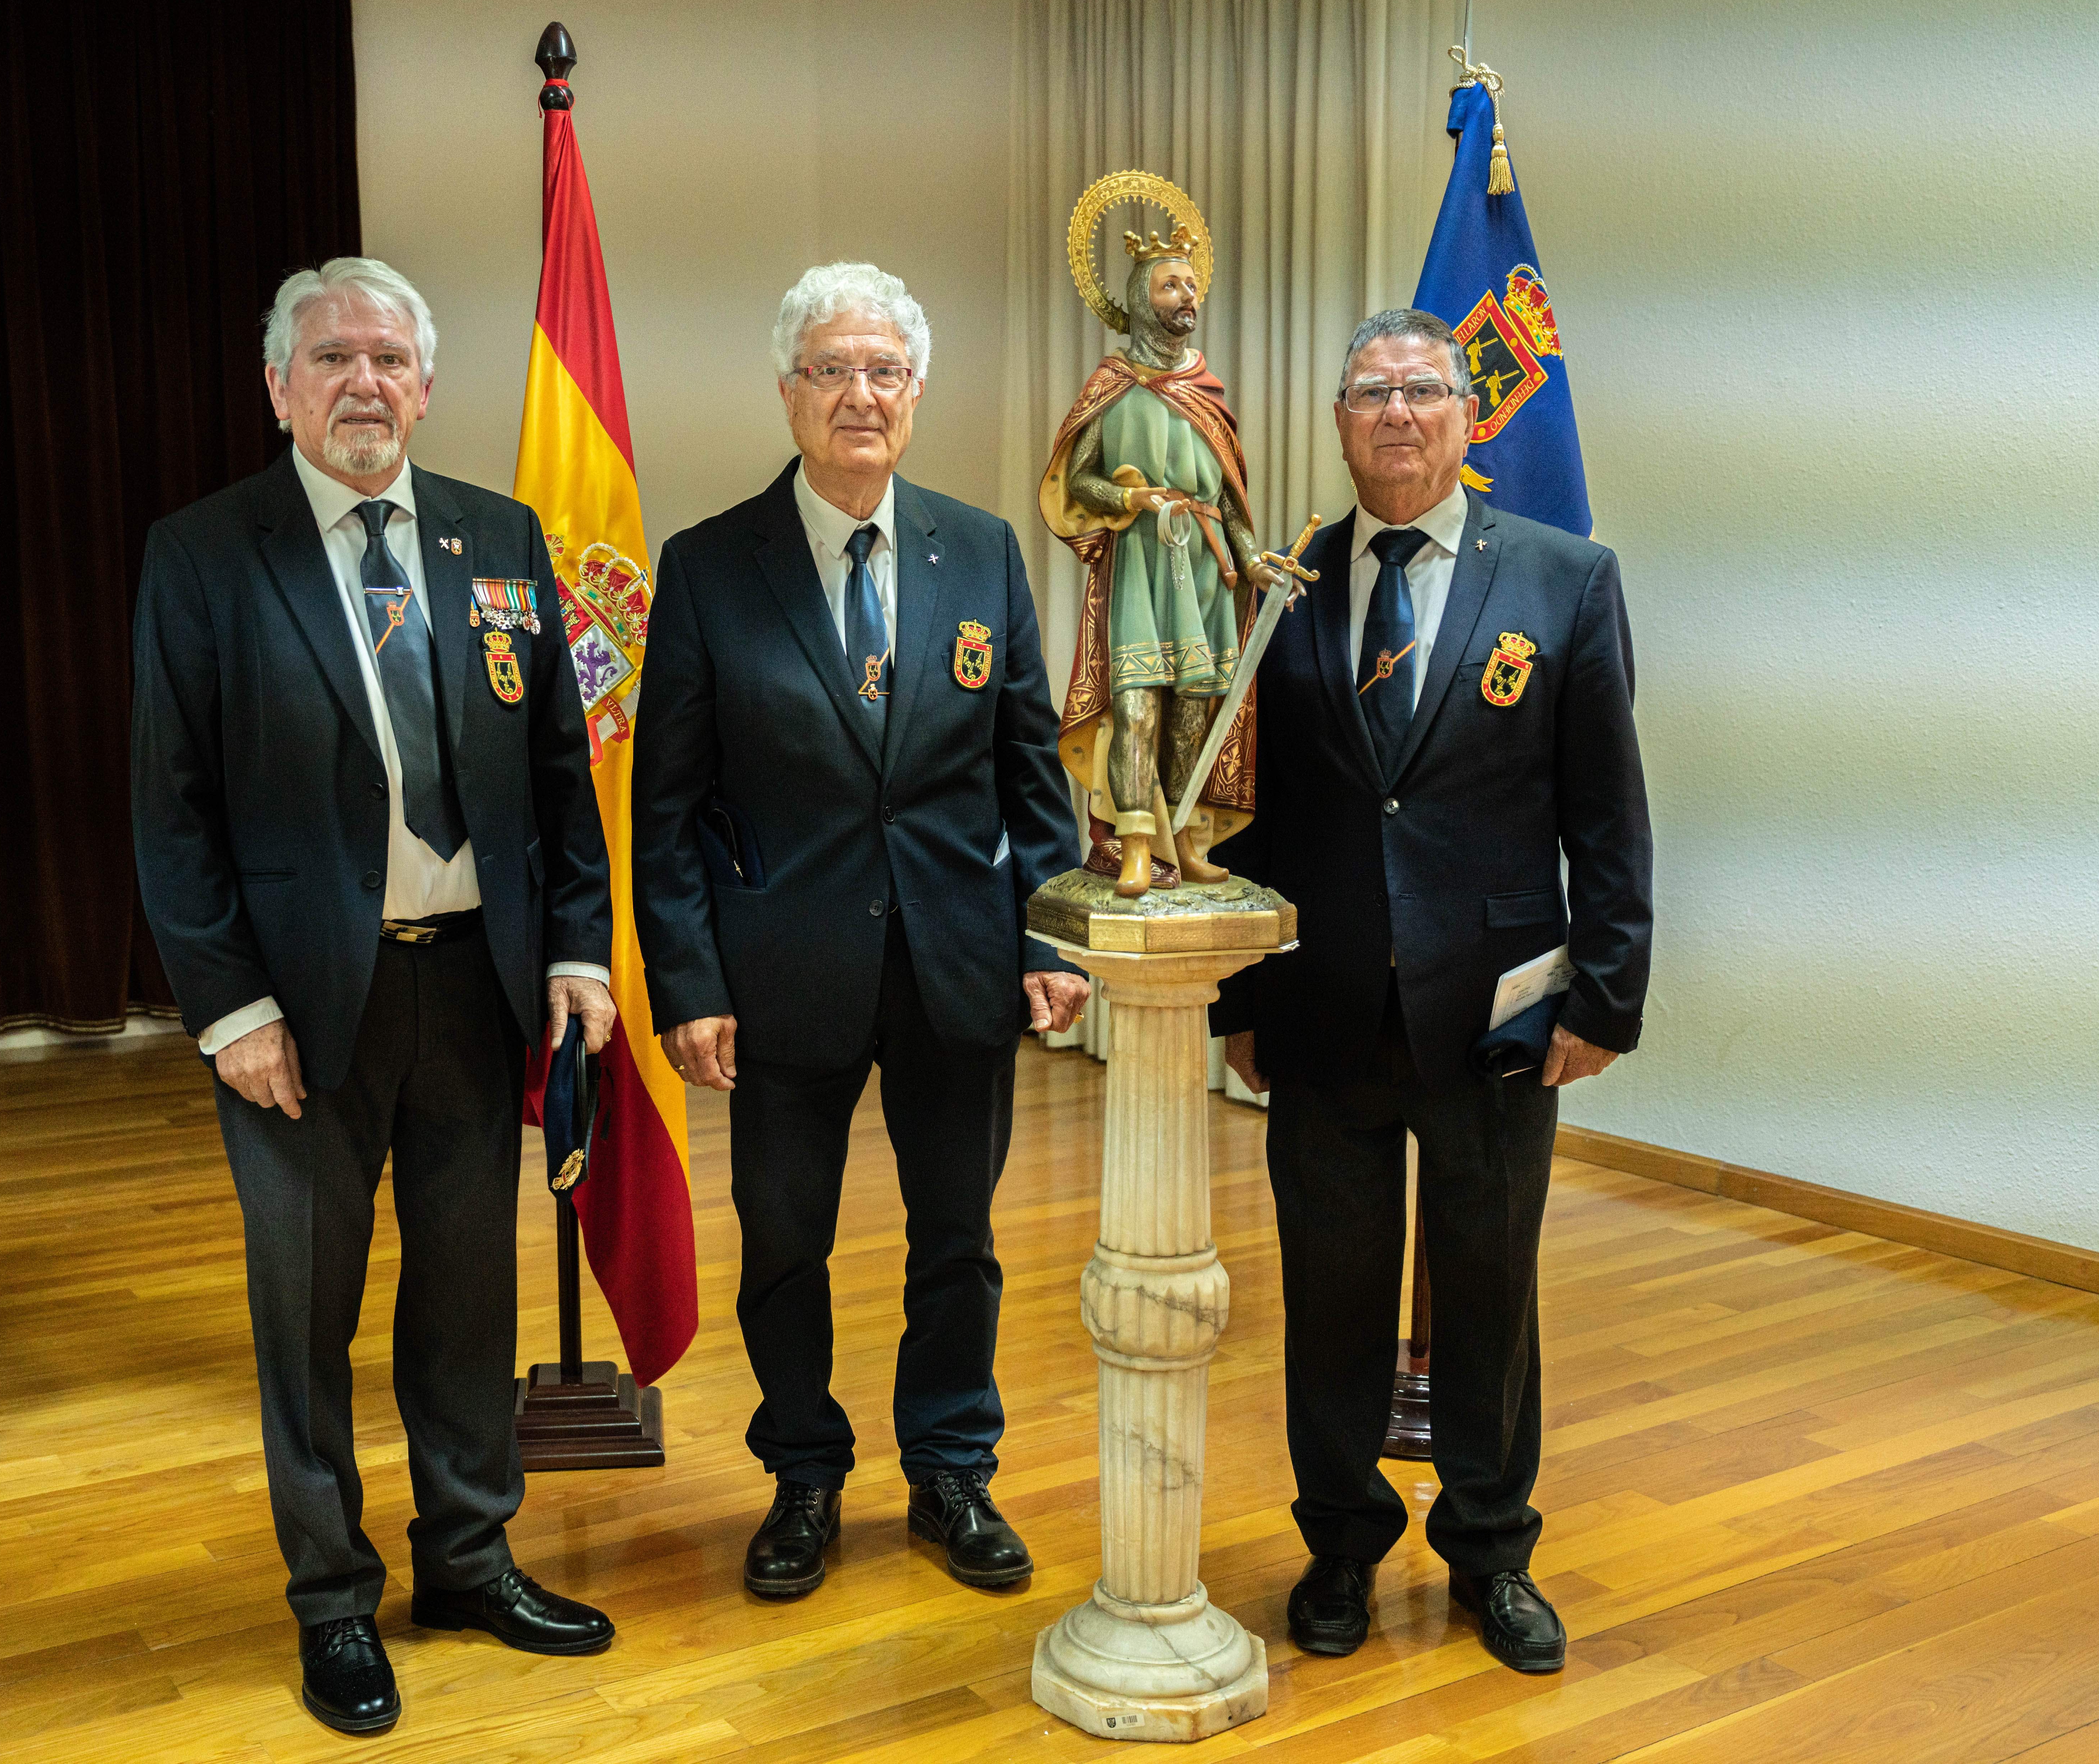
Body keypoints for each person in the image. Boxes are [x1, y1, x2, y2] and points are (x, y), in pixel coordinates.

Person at [131, 257, 621, 1737]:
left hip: (474, 991)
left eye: (389, 358)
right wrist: (230, 1014)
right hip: (298, 1022)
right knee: (307, 1317)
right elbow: (172, 810)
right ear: (278, 387)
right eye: (331, 357)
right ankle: (332, 1604)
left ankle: (469, 1559)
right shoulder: (208, 554)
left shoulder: (498, 537)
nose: (364, 383)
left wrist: (580, 951)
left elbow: (554, 777)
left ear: (424, 383)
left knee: (465, 1306)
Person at [632, 262, 1087, 1601]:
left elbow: (1031, 778)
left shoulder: (982, 549)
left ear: (916, 392)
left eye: (883, 371)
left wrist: (1051, 940)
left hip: (958, 964)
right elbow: (668, 804)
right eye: (830, 370)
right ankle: (804, 1474)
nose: (859, 395)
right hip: (781, 975)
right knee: (783, 1238)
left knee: (960, 1237)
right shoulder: (712, 567)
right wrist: (688, 979)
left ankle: (952, 1468)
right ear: (787, 393)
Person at [1215, 306, 1652, 1675]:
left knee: (1486, 1291)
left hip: (1499, 1017)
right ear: (1338, 424)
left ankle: (1489, 1548)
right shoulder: (1285, 585)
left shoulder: (1567, 578)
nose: (1396, 413)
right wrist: (1236, 998)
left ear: (1468, 419)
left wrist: (1604, 995)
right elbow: (1257, 813)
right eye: (1369, 394)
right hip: (1323, 1015)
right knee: (1331, 1296)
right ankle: (1339, 1541)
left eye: (1422, 390)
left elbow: (1607, 806)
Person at [1039, 181, 1299, 896]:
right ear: (1138, 297)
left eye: (1191, 283)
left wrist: (1252, 558)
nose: (1187, 296)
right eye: (1170, 285)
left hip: (1204, 573)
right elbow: (1073, 483)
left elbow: (1228, 498)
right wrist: (1130, 497)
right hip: (1140, 569)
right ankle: (1133, 845)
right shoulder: (1112, 386)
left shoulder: (1205, 390)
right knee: (1136, 708)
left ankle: (1184, 840)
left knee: (1190, 711)